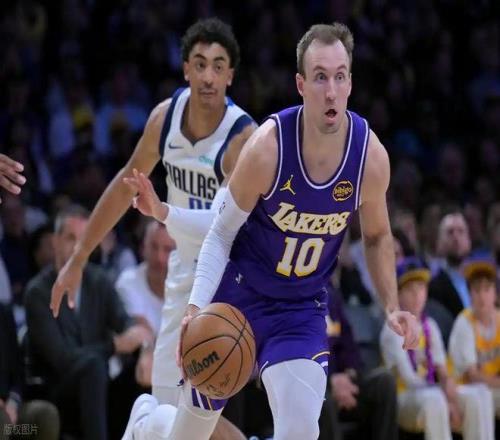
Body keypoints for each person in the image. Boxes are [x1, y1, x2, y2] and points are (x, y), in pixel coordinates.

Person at [163, 22, 419, 440]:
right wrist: (194, 309)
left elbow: (376, 236)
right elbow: (220, 234)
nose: (331, 91)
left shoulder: (370, 158)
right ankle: (148, 422)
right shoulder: (267, 148)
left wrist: (391, 306)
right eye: (320, 77)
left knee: (300, 429)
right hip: (239, 298)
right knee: (187, 435)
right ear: (301, 85)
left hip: (300, 310)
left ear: (350, 83)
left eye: (339, 76)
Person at [49, 17, 255, 439]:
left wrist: (162, 212)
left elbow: (222, 226)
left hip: (225, 279)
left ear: (230, 76)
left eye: (218, 66)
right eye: (200, 64)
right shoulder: (165, 119)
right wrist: (79, 256)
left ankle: (143, 421)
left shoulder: (241, 138)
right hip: (182, 272)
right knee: (169, 407)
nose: (208, 76)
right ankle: (145, 418)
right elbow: (124, 185)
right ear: (186, 69)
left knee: (194, 411)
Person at [25, 205, 152, 440]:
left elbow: (127, 324)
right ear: (55, 241)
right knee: (94, 365)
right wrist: (113, 346)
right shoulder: (37, 292)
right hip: (58, 390)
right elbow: (61, 358)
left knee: (142, 369)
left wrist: (145, 349)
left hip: (99, 385)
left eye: (83, 239)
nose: (77, 247)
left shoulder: (99, 281)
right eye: (70, 238)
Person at [380, 256, 494, 440]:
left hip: (432, 391)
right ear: (398, 295)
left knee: (480, 394)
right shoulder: (392, 330)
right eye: (410, 289)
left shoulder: (430, 326)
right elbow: (410, 380)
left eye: (421, 288)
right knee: (435, 400)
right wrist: (445, 396)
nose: (417, 295)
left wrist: (448, 386)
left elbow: (442, 369)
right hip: (404, 398)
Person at [320, 286, 398, 440]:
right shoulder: (292, 298)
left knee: (384, 382)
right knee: (322, 401)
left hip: (344, 380)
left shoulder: (330, 294)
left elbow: (348, 341)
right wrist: (330, 381)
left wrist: (349, 373)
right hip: (316, 384)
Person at [115, 221, 176, 388]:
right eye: (154, 247)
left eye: (168, 250)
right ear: (143, 249)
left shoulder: (187, 288)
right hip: (135, 372)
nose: (160, 258)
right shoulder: (128, 282)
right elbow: (141, 329)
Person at [449, 255, 500, 417]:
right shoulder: (464, 323)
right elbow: (472, 376)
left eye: (487, 289)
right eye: (476, 290)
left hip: (490, 388)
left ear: (495, 294)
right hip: (463, 390)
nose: (482, 296)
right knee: (482, 397)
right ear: (469, 295)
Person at [0, 302, 60, 440]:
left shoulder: (4, 314)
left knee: (45, 416)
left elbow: (17, 369)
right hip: (2, 421)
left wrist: (13, 403)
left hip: (10, 418)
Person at [428, 212, 472, 319]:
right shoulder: (433, 286)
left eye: (461, 231)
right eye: (450, 232)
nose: (456, 238)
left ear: (469, 240)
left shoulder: (478, 278)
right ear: (439, 243)